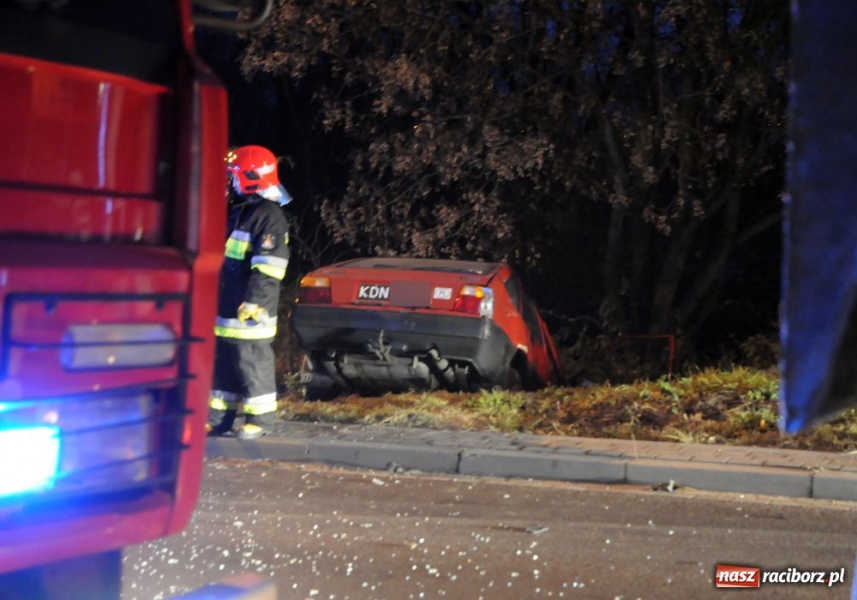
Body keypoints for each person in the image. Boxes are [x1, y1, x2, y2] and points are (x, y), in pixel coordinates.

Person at [207, 145, 292, 440]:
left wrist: (255, 302)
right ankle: (218, 418)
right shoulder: (241, 213)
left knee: (252, 363)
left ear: (251, 177)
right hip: (229, 306)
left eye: (234, 176)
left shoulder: (269, 217)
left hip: (251, 309)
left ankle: (260, 420)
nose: (230, 182)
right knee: (224, 365)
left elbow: (269, 267)